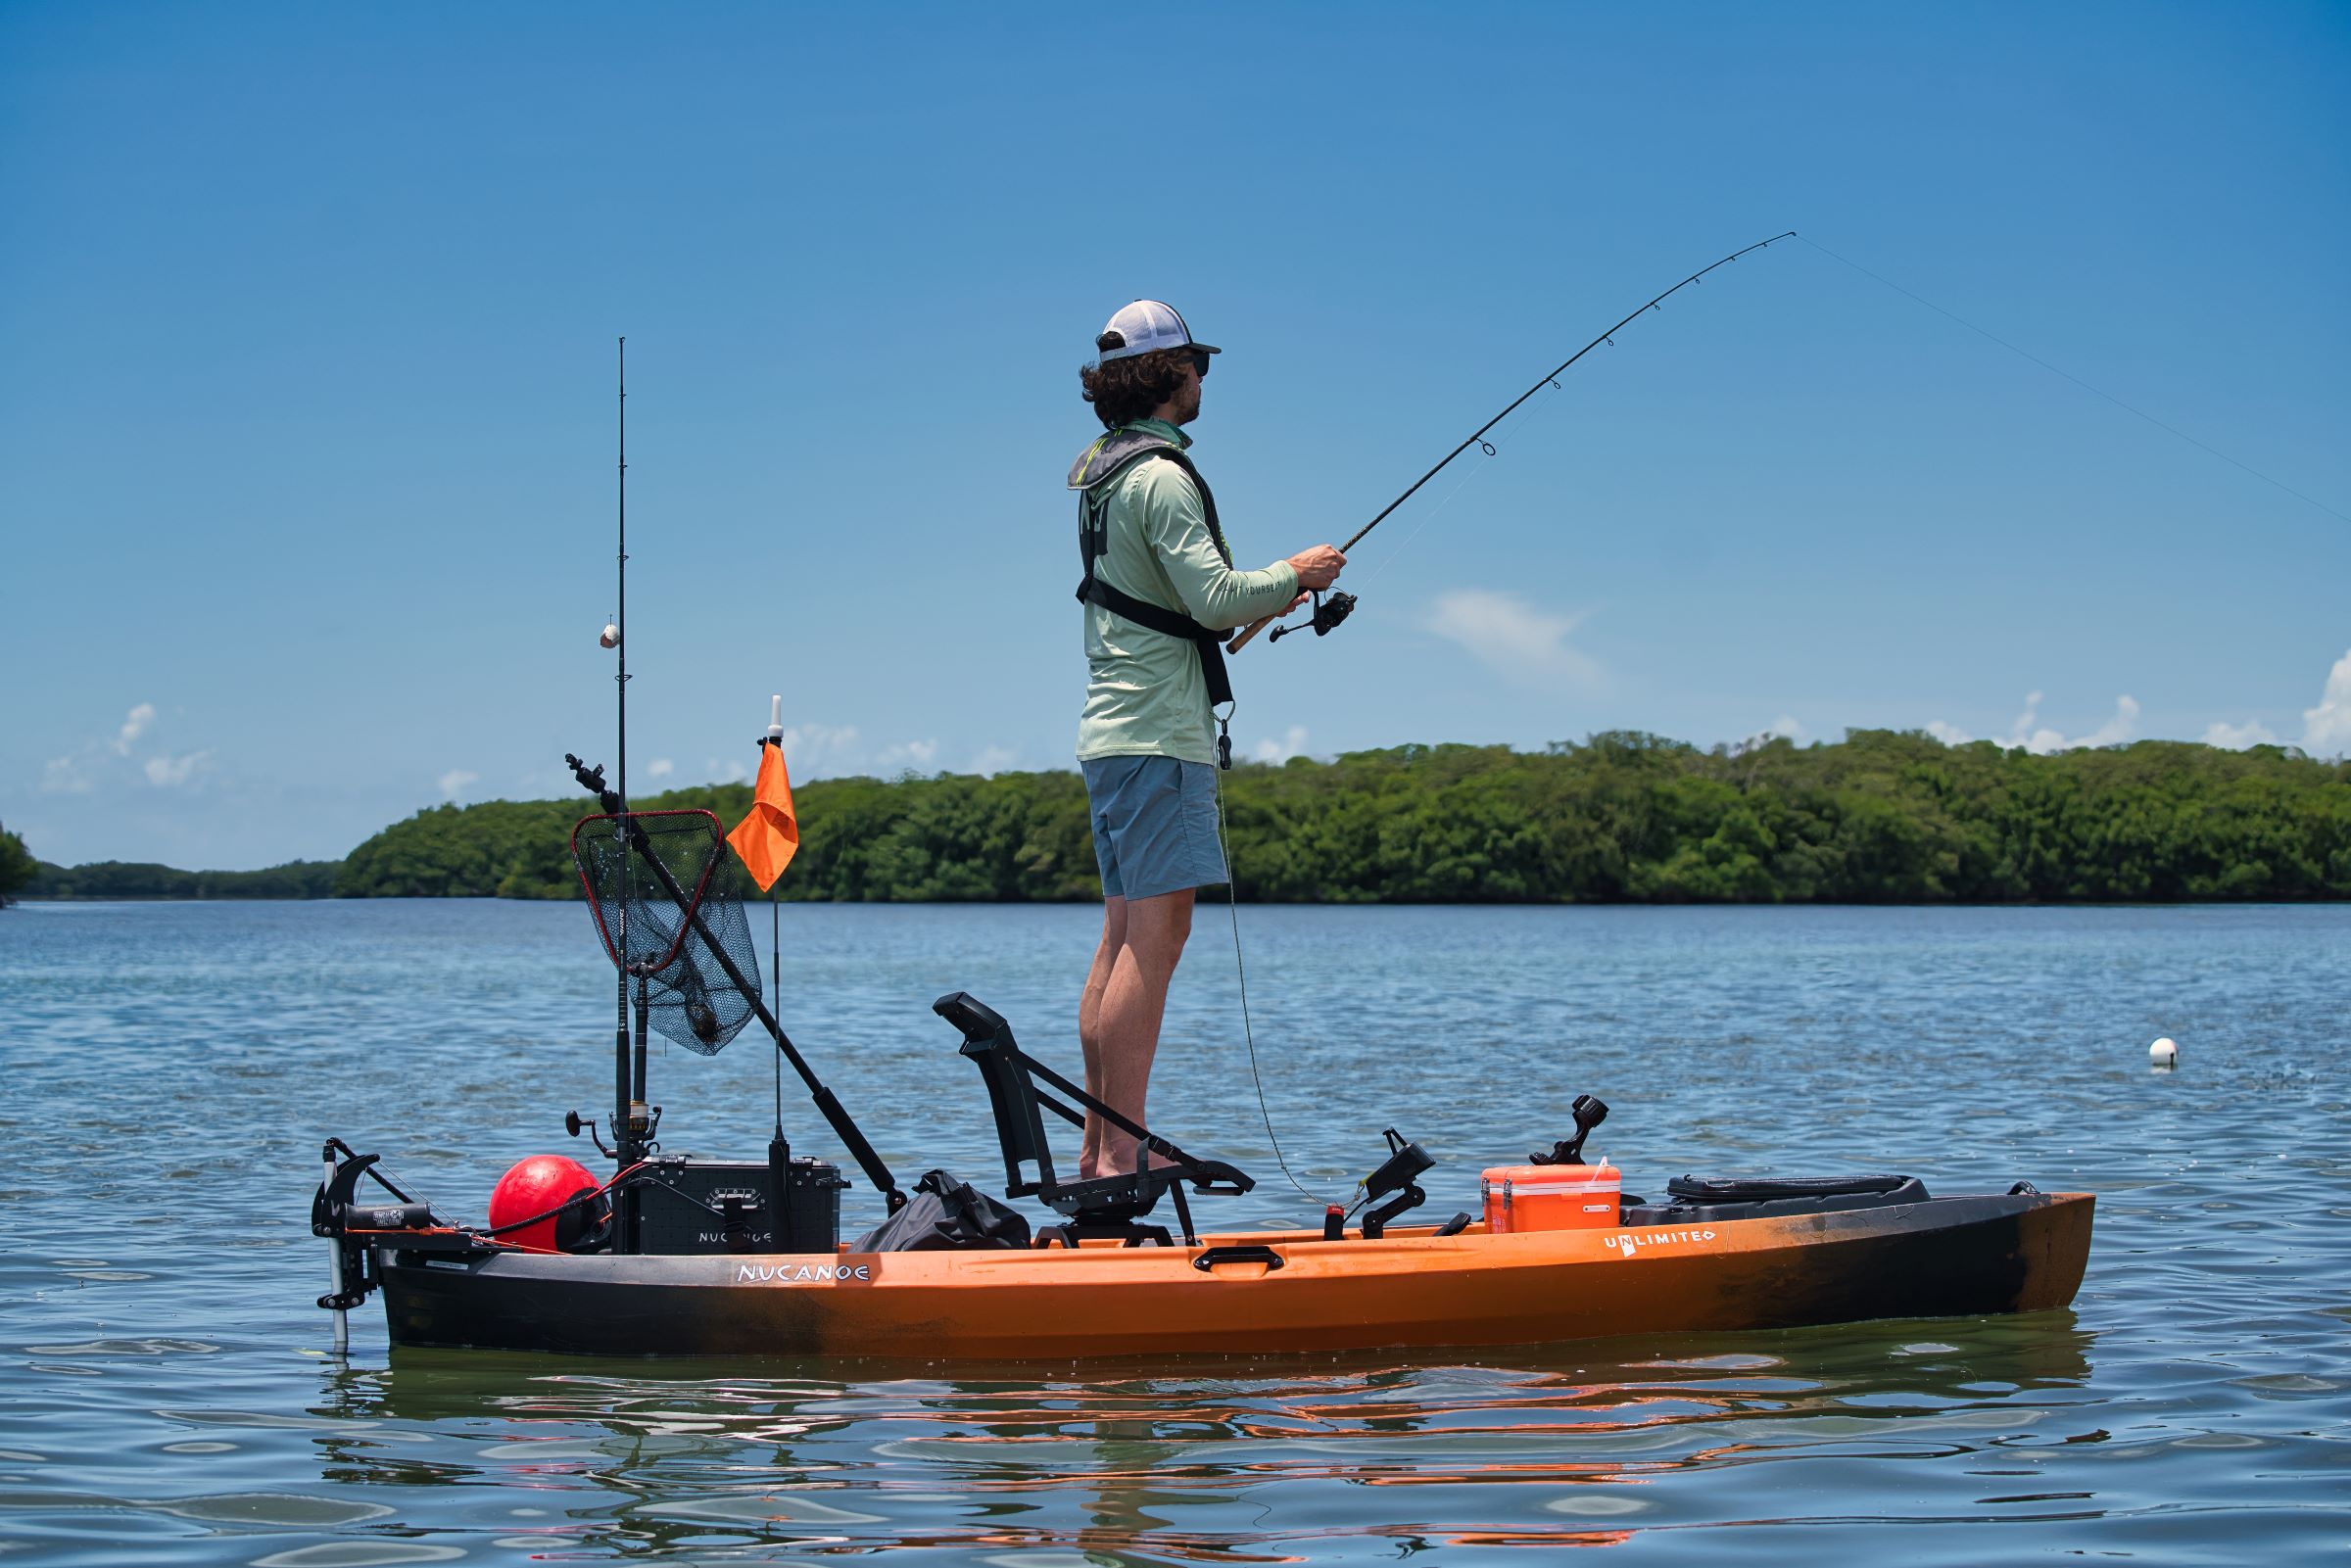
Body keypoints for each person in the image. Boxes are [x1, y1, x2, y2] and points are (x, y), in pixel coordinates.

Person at [1069, 300, 1346, 1177]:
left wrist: (1273, 593)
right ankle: (1123, 1154)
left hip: (1115, 733)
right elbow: (1217, 599)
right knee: (1154, 941)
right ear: (1169, 373)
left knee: (1121, 938)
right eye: (1199, 364)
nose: (1203, 380)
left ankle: (1098, 1149)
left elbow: (1183, 603)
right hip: (1157, 737)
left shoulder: (1104, 476)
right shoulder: (1161, 476)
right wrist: (1296, 573)